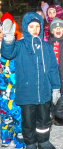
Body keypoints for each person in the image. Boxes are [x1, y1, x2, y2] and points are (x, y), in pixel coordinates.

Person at [1, 12, 60, 149]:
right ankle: (30, 143)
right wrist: (8, 39)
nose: (35, 29)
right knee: (27, 122)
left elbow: (52, 69)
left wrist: (56, 88)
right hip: (26, 94)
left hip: (44, 93)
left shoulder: (47, 47)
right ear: (25, 27)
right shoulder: (20, 45)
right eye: (31, 26)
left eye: (37, 26)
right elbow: (7, 53)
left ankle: (43, 140)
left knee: (44, 121)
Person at [0, 20, 25, 148]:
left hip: (15, 90)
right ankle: (6, 137)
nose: (1, 35)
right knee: (5, 116)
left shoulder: (14, 48)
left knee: (18, 115)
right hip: (2, 91)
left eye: (2, 32)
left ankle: (19, 139)